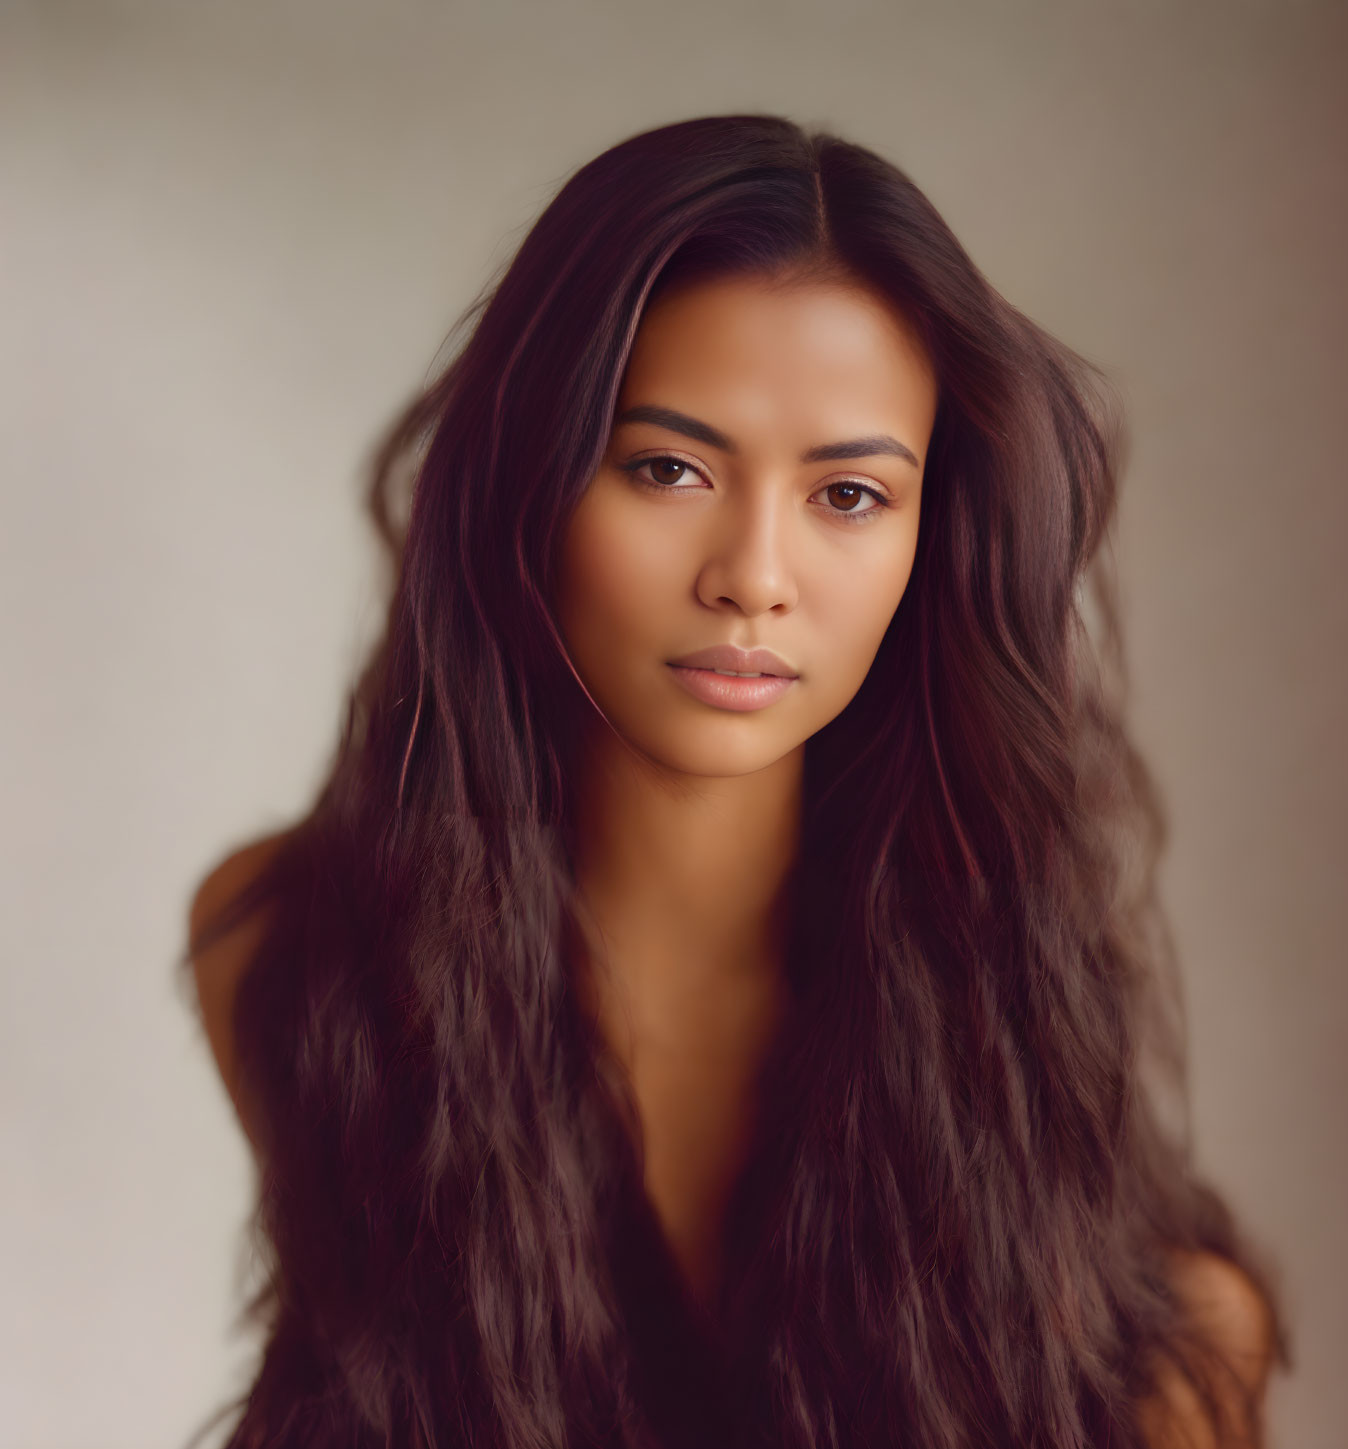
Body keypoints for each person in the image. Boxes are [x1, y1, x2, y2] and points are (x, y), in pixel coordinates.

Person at [181, 113, 1291, 1449]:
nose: (752, 573)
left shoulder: (1157, 1348)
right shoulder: (293, 955)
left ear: (929, 540)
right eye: (667, 467)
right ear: (524, 484)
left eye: (849, 496)